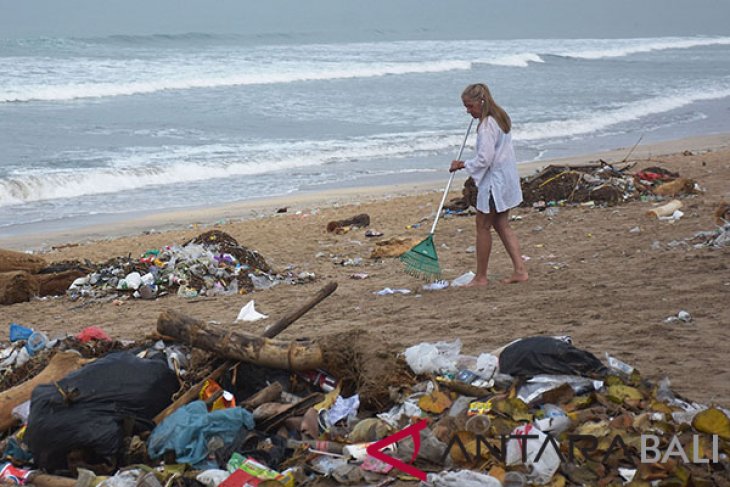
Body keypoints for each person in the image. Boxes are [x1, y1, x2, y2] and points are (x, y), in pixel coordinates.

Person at [449, 83, 528, 287]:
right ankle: (520, 270)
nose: (468, 111)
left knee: (482, 226)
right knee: (501, 224)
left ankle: (481, 277)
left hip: (496, 183)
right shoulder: (500, 118)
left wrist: (463, 164)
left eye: (469, 106)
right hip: (506, 178)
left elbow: (485, 159)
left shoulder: (486, 126)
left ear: (481, 102)